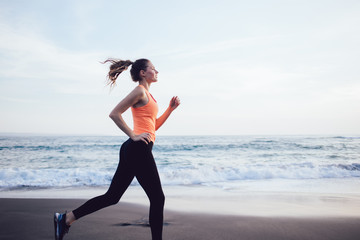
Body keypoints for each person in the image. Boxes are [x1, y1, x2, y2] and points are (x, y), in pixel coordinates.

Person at [54, 58, 180, 240]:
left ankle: (66, 219)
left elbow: (152, 127)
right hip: (138, 149)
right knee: (158, 198)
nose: (157, 71)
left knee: (112, 197)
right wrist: (133, 135)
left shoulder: (149, 96)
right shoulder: (139, 90)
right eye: (153, 68)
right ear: (143, 73)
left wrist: (170, 109)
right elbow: (114, 113)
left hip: (135, 148)